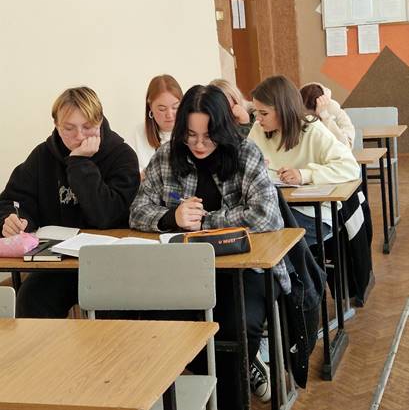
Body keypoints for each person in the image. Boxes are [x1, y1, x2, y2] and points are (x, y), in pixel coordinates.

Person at [129, 84, 290, 410]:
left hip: (244, 271)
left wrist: (206, 222)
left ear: (223, 130)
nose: (199, 145)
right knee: (148, 318)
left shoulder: (245, 154)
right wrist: (172, 216)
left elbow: (266, 215)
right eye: (190, 135)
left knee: (234, 328)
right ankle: (231, 374)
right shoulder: (166, 157)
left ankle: (233, 389)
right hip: (184, 271)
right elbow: (137, 211)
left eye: (208, 136)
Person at [0, 86, 140, 318]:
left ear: (100, 121)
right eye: (69, 128)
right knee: (30, 299)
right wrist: (13, 219)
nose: (79, 136)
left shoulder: (122, 156)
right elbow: (12, 201)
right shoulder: (42, 156)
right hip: (58, 264)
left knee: (115, 310)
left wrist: (79, 163)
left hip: (109, 264)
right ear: (56, 125)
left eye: (88, 127)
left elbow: (106, 216)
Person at [249, 75, 360, 246]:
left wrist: (304, 175)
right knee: (252, 238)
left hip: (312, 213)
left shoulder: (312, 129)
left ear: (284, 110)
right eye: (256, 112)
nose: (258, 118)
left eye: (264, 113)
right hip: (273, 207)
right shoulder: (258, 130)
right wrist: (253, 169)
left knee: (273, 244)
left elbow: (350, 167)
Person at [134, 74, 183, 173]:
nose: (169, 115)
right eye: (162, 109)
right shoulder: (138, 134)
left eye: (175, 107)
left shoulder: (193, 131)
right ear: (150, 107)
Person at [300, 82, 355, 148]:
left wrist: (324, 117)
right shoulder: (296, 117)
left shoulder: (334, 110)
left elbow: (346, 146)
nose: (310, 119)